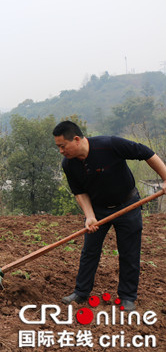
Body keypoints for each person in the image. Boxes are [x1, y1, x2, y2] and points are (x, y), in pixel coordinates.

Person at [52, 121, 166, 311]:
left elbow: (146, 153)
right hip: (98, 209)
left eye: (63, 146)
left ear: (77, 139)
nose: (61, 151)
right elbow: (79, 192)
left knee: (129, 252)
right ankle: (81, 292)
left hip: (128, 205)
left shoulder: (110, 144)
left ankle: (127, 297)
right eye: (58, 147)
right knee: (89, 251)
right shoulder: (69, 164)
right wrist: (89, 216)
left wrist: (165, 177)